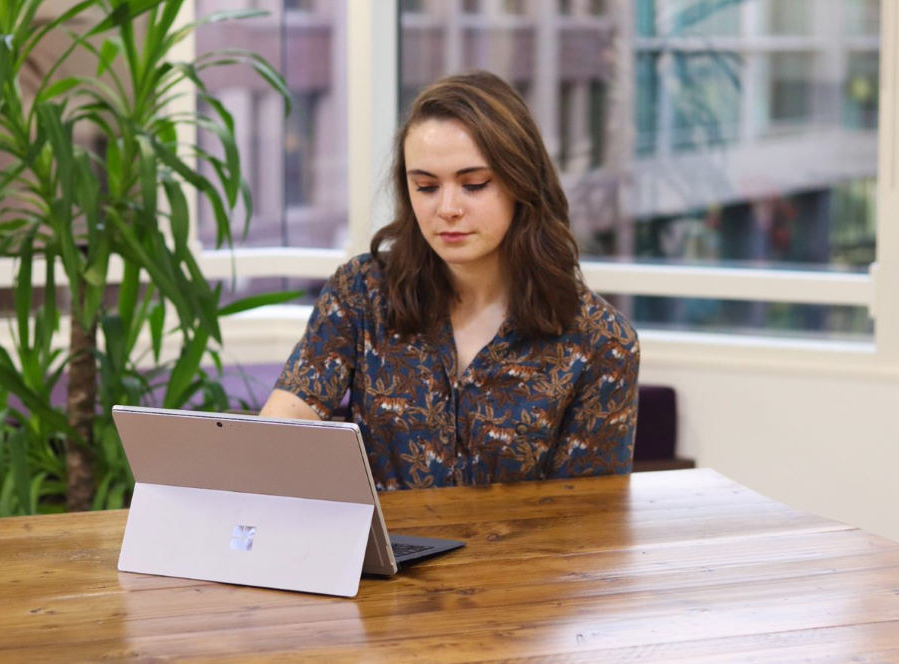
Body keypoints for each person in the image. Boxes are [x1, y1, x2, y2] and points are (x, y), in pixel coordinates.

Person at [261, 70, 639, 490]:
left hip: (520, 556)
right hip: (385, 554)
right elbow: (288, 417)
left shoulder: (600, 341)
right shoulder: (363, 292)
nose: (447, 208)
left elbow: (588, 518)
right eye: (426, 186)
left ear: (522, 183)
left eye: (473, 184)